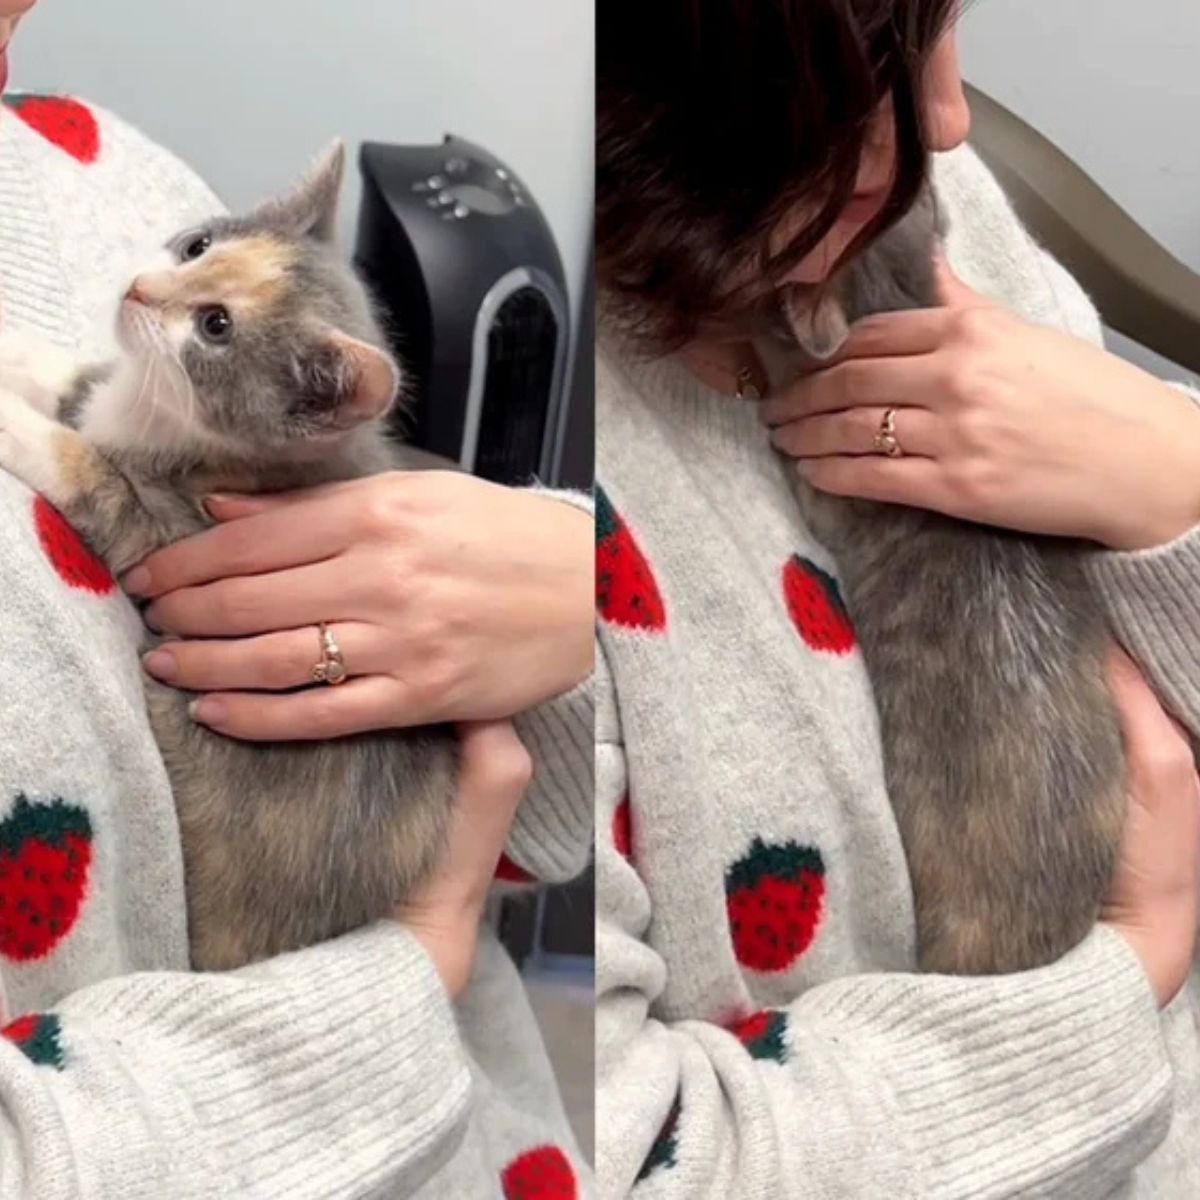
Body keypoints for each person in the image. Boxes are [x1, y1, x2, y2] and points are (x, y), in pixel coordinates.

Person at [596, 2, 1200, 1195]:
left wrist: (1174, 483)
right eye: (865, 65)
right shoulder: (535, 496)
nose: (950, 118)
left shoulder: (920, 194)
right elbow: (641, 1157)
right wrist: (1127, 975)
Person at [0, 2, 595, 1195]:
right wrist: (410, 966)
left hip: (480, 1106)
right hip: (317, 1068)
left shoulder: (107, 165)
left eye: (201, 298)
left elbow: (555, 826)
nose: (146, 286)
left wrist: (566, 588)